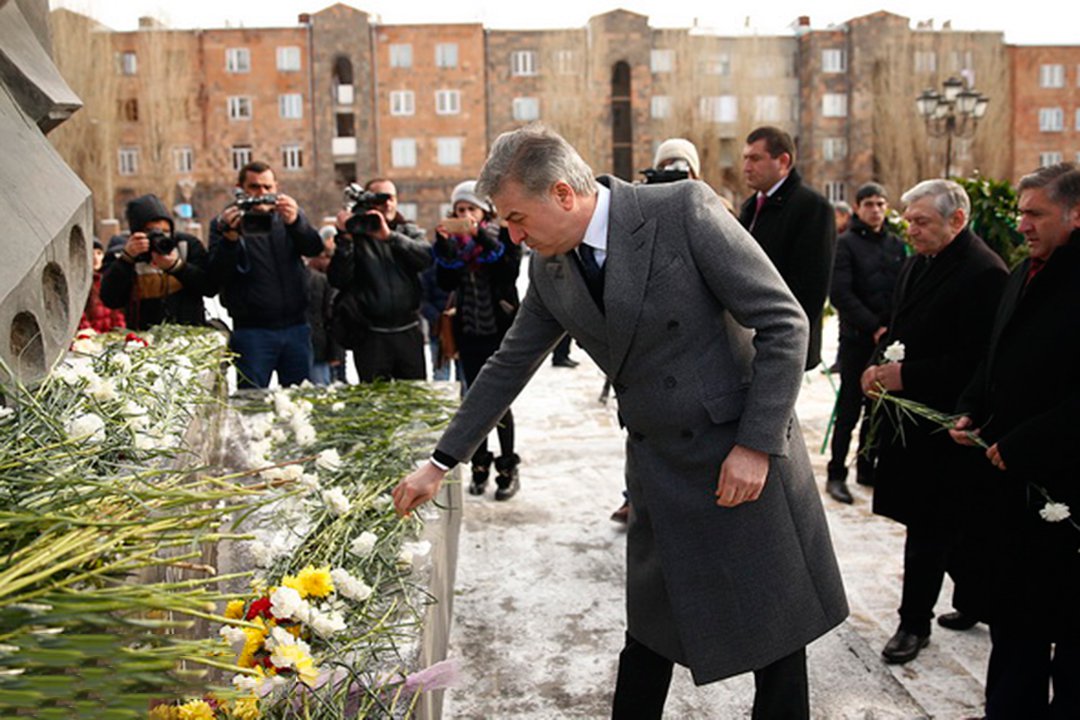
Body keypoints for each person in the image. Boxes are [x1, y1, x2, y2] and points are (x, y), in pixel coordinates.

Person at [393, 125, 847, 719]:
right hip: (661, 468)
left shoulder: (681, 210)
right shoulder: (553, 267)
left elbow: (784, 323)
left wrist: (756, 446)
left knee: (776, 641)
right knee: (651, 636)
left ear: (561, 193)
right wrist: (440, 461)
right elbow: (508, 366)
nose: (511, 233)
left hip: (740, 459)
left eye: (515, 217)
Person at [949, 163, 1080, 719]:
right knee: (1015, 620)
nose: (1022, 224)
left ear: (1075, 214)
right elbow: (995, 358)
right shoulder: (1022, 274)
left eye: (1035, 214)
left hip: (1065, 489)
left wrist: (1030, 440)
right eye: (1019, 212)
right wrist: (971, 408)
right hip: (1011, 491)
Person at [860, 179, 1007, 665]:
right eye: (909, 218)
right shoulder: (918, 261)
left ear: (957, 220)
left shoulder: (984, 272)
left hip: (950, 423)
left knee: (932, 526)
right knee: (946, 526)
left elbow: (977, 361)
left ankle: (913, 623)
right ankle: (977, 599)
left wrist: (904, 375)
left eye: (921, 221)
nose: (910, 228)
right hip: (912, 420)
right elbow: (900, 327)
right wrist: (877, 366)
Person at [432, 180, 523, 499]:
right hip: (469, 331)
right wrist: (444, 245)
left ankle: (508, 467)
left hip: (500, 333)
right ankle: (479, 464)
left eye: (471, 208)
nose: (465, 214)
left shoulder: (501, 237)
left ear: (484, 212)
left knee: (499, 404)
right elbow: (444, 281)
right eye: (460, 210)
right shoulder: (455, 247)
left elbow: (507, 271)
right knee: (474, 401)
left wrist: (479, 237)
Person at [208, 161, 324, 389]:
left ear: (276, 188)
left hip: (296, 327)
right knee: (252, 404)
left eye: (268, 188)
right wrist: (230, 238)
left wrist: (296, 223)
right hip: (252, 330)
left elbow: (314, 248)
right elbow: (215, 275)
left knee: (300, 402)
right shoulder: (225, 222)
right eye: (254, 187)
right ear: (240, 188)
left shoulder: (288, 217)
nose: (262, 194)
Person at [824, 183, 906, 503]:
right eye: (869, 204)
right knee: (848, 409)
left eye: (880, 203)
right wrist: (873, 326)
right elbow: (841, 293)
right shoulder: (844, 245)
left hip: (886, 341)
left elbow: (900, 291)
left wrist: (890, 328)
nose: (875, 209)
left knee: (878, 409)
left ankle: (867, 467)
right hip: (858, 340)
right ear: (857, 208)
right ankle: (836, 473)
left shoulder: (896, 245)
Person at [739, 126, 836, 371]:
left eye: (755, 158)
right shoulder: (751, 206)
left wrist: (785, 336)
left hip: (783, 342)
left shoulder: (811, 207)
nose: (746, 167)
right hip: (753, 337)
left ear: (783, 161)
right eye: (745, 158)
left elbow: (812, 286)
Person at [328, 178, 431, 382]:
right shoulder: (355, 235)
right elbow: (338, 278)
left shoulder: (406, 230)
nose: (388, 204)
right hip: (371, 336)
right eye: (380, 199)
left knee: (414, 399)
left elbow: (426, 258)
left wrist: (389, 236)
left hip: (407, 331)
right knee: (375, 403)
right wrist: (345, 240)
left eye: (391, 198)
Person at [100, 194, 214, 330]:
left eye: (166, 231)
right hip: (144, 339)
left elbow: (209, 287)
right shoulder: (123, 253)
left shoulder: (186, 245)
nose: (159, 237)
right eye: (151, 231)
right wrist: (126, 260)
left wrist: (177, 267)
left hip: (189, 335)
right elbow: (110, 299)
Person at [80, 239, 126, 333]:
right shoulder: (81, 284)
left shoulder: (106, 280)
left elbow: (116, 312)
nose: (95, 258)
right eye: (91, 253)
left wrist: (119, 332)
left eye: (99, 253)